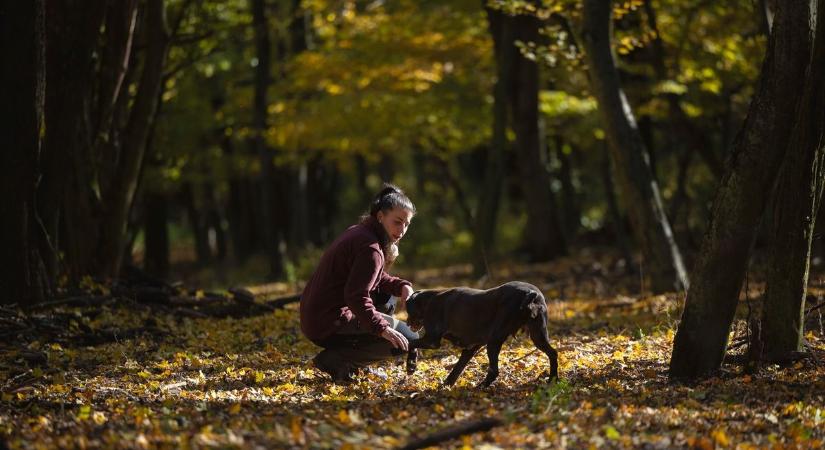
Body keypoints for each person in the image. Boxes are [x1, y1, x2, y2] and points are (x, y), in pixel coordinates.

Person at [300, 184, 419, 382]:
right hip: (327, 322)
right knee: (410, 341)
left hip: (317, 317)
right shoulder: (370, 248)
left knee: (388, 297)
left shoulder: (361, 232)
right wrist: (381, 328)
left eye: (407, 224)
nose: (402, 230)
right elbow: (356, 296)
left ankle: (354, 362)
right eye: (397, 222)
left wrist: (402, 286)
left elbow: (374, 278)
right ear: (381, 216)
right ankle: (336, 360)